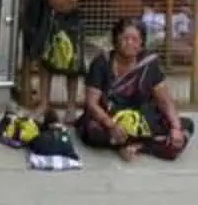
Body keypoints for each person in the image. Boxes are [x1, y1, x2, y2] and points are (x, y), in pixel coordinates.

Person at [77, 17, 192, 161]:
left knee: (186, 126)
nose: (129, 43)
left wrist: (176, 128)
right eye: (125, 38)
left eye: (135, 39)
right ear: (115, 40)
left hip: (140, 118)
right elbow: (92, 103)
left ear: (142, 43)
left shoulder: (149, 64)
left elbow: (164, 101)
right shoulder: (102, 62)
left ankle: (137, 147)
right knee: (92, 130)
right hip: (110, 116)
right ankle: (134, 144)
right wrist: (111, 125)